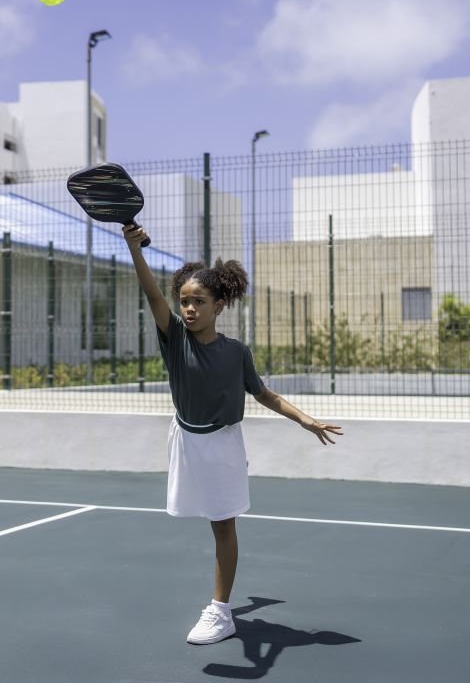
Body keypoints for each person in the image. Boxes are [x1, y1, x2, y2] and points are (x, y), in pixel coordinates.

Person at [122, 223, 342, 645]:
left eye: (198, 302)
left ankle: (221, 612)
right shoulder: (175, 340)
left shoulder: (236, 351)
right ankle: (231, 609)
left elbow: (264, 394)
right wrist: (135, 249)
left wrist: (307, 420)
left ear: (219, 305)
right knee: (204, 519)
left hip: (222, 445)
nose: (188, 309)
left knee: (223, 527)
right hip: (185, 441)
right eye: (184, 302)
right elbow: (152, 294)